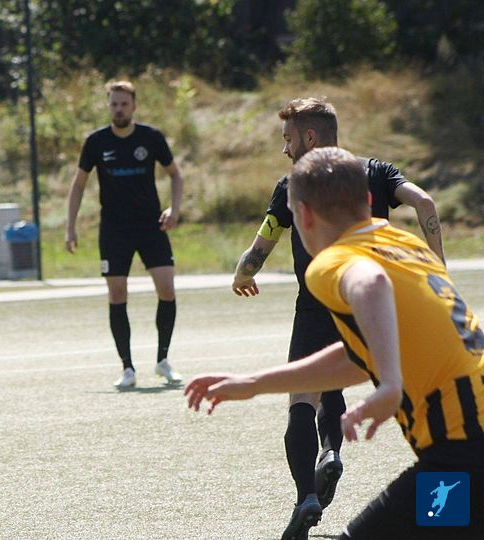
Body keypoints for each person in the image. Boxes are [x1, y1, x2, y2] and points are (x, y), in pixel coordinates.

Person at [187, 147, 484, 540]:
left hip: (460, 451)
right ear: (369, 199)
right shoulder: (406, 244)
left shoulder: (332, 262)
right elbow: (359, 356)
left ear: (303, 215)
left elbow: (370, 283)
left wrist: (390, 385)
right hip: (464, 452)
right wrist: (254, 383)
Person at [229, 98, 445, 540]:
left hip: (455, 457)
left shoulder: (345, 275)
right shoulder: (409, 266)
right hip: (454, 452)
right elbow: (424, 202)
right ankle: (329, 453)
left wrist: (386, 389)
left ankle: (306, 492)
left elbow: (363, 303)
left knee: (307, 399)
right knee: (449, 518)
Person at [65, 80, 186, 389]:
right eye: (114, 104)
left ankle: (163, 360)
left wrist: (174, 209)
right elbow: (78, 185)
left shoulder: (151, 137)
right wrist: (70, 227)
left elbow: (175, 175)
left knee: (167, 289)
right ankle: (127, 367)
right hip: (114, 229)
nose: (119, 109)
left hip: (150, 226)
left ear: (134, 106)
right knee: (117, 293)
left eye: (124, 104)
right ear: (108, 106)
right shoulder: (96, 142)